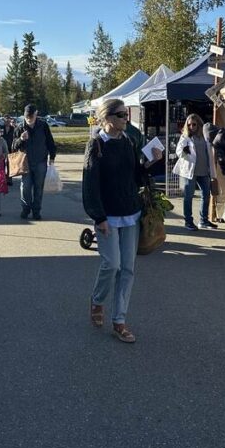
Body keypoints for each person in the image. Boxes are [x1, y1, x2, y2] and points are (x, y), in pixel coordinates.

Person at [82, 98, 146, 344]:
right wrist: (98, 216)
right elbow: (90, 184)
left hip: (130, 212)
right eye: (120, 115)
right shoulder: (96, 145)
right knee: (112, 264)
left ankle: (119, 320)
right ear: (107, 118)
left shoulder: (129, 142)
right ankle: (97, 300)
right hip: (107, 215)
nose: (125, 119)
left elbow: (136, 176)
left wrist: (150, 162)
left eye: (126, 114)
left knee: (128, 268)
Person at [173, 113, 218, 231]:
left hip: (204, 170)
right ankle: (188, 221)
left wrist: (212, 171)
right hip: (190, 171)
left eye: (194, 124)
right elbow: (178, 151)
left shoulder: (205, 136)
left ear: (199, 124)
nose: (192, 127)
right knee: (188, 197)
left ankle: (203, 220)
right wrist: (184, 151)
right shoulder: (185, 137)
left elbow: (209, 153)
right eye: (189, 125)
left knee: (206, 196)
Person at [11, 104, 56, 220]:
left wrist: (52, 157)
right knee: (25, 187)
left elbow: (50, 142)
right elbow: (13, 147)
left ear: (36, 114)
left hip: (41, 161)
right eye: (27, 117)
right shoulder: (20, 128)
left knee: (38, 188)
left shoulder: (43, 126)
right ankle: (25, 209)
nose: (29, 119)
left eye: (31, 116)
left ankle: (36, 211)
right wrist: (21, 139)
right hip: (25, 163)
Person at [1, 116, 16, 187]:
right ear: (3, 120)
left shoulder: (13, 129)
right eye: (5, 120)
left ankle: (9, 180)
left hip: (10, 148)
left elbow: (16, 138)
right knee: (2, 165)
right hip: (2, 149)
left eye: (8, 120)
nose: (7, 121)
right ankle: (2, 180)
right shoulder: (0, 128)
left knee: (10, 165)